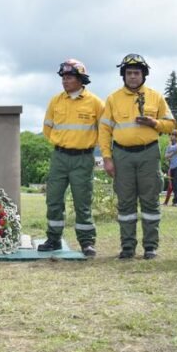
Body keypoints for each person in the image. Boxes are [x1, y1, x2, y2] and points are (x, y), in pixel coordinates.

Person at [99, 54, 175, 260]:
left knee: (150, 201)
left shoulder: (156, 96)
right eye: (129, 73)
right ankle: (127, 247)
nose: (133, 77)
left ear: (144, 75)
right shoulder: (113, 99)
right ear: (123, 76)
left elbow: (170, 124)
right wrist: (107, 158)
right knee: (126, 203)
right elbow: (104, 130)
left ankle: (150, 247)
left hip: (148, 154)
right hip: (122, 154)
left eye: (137, 73)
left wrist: (154, 123)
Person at [39, 59, 104, 257]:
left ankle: (86, 242)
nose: (65, 81)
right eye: (63, 78)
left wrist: (86, 145)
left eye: (69, 77)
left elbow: (104, 132)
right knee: (54, 199)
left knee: (82, 201)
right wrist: (62, 143)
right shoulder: (55, 101)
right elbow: (47, 129)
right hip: (59, 157)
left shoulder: (95, 103)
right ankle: (53, 239)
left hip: (83, 159)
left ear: (81, 79)